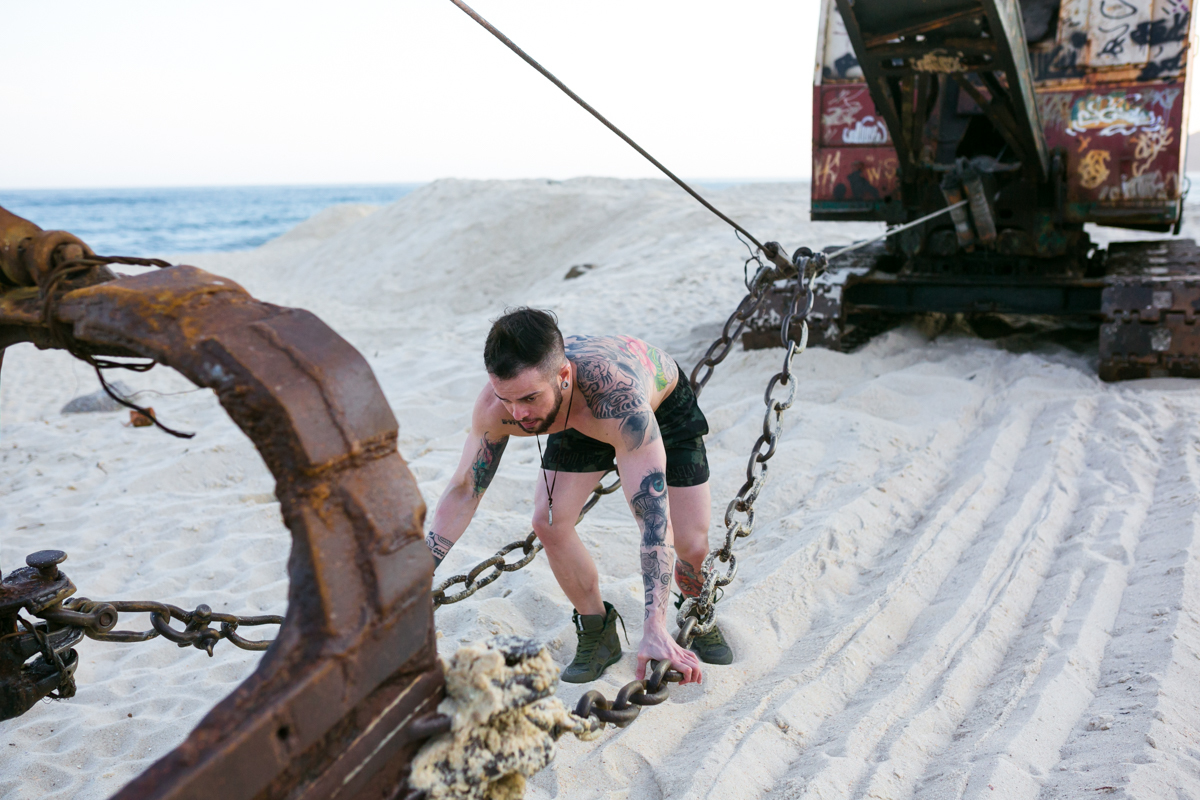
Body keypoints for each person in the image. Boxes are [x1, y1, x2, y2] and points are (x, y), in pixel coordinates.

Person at [424, 307, 733, 685]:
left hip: (651, 407)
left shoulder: (620, 404)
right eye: (507, 398)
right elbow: (465, 489)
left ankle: (696, 609)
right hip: (571, 414)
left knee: (691, 545)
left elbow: (653, 520)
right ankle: (597, 627)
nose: (518, 414)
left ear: (563, 375)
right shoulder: (501, 407)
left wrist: (655, 627)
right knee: (548, 521)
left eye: (528, 398)